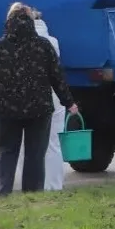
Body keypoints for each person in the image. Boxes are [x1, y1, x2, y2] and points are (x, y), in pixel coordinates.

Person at [0, 2, 79, 196]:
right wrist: (69, 103)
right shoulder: (44, 45)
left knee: (7, 152)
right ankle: (32, 196)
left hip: (7, 110)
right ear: (31, 20)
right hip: (39, 109)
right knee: (35, 155)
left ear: (8, 21)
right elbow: (57, 78)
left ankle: (4, 194)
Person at [35, 13, 68, 191]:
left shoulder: (22, 42)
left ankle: (33, 185)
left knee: (29, 144)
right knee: (53, 143)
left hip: (33, 98)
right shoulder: (53, 42)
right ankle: (54, 185)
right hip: (54, 97)